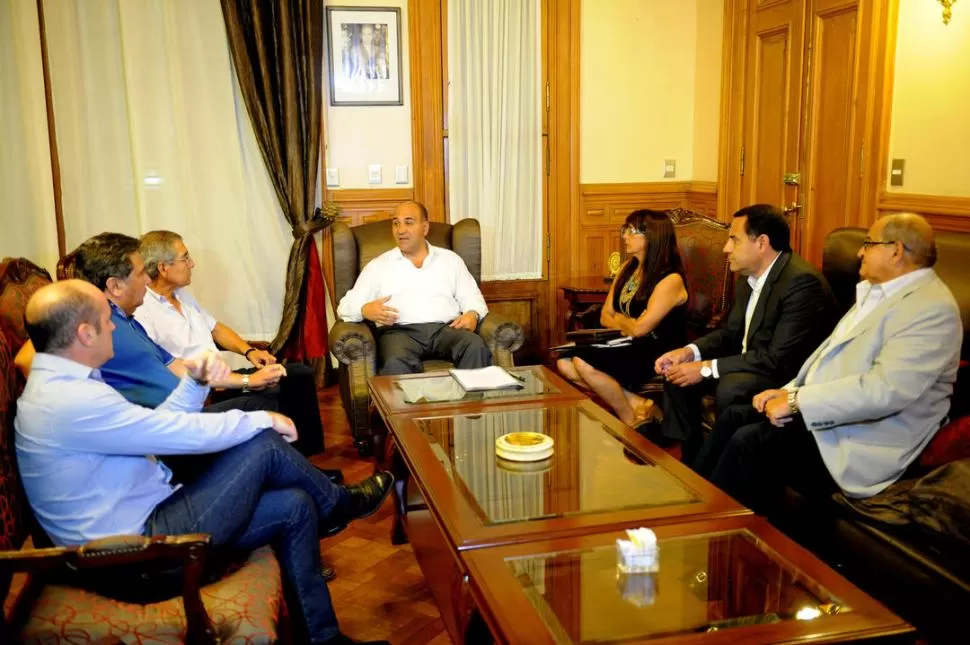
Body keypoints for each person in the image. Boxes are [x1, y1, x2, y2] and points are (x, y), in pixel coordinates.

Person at [14, 279, 393, 645]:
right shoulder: (70, 402)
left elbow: (159, 426)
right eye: (105, 319)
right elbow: (178, 437)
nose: (114, 325)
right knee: (261, 443)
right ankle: (340, 503)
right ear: (85, 334)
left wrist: (195, 383)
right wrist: (264, 419)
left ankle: (323, 638)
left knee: (295, 505)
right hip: (135, 558)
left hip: (144, 529)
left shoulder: (66, 387)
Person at [710, 213, 961, 514]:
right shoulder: (878, 290)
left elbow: (884, 392)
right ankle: (692, 508)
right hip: (833, 411)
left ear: (896, 250)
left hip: (869, 435)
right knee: (734, 417)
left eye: (868, 244)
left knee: (750, 442)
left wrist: (797, 401)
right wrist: (788, 391)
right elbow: (826, 355)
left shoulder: (931, 310)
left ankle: (723, 533)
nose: (858, 252)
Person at [653, 204, 834, 468]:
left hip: (783, 375)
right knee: (677, 376)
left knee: (732, 386)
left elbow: (776, 359)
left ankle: (723, 470)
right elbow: (729, 332)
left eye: (733, 239)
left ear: (762, 243)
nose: (726, 248)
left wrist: (705, 369)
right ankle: (691, 463)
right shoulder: (749, 277)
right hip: (752, 363)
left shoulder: (801, 283)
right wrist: (689, 352)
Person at [134, 230, 326, 459]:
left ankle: (307, 459)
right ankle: (283, 462)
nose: (192, 264)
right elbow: (170, 368)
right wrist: (247, 381)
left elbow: (215, 328)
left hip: (224, 377)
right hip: (202, 389)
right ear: (163, 268)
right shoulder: (142, 311)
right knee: (271, 395)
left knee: (298, 374)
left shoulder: (181, 295)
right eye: (185, 258)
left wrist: (250, 351)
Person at [556, 210, 688, 426]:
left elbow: (640, 330)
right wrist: (629, 323)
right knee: (564, 362)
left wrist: (626, 322)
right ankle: (637, 404)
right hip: (624, 340)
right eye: (624, 229)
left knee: (582, 363)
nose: (624, 235)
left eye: (631, 231)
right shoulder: (628, 267)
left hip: (656, 348)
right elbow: (605, 316)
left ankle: (628, 422)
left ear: (651, 237)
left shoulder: (670, 279)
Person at [336, 201, 492, 376]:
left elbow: (472, 297)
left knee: (475, 346)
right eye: (396, 223)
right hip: (399, 334)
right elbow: (345, 307)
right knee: (395, 362)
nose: (401, 230)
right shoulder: (378, 265)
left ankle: (470, 404)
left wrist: (473, 314)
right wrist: (364, 309)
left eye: (408, 222)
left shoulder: (450, 260)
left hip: (446, 330)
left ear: (425, 228)